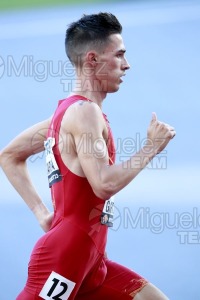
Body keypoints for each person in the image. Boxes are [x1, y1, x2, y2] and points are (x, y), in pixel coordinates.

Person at [0, 12, 175, 300]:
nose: (126, 64)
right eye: (119, 55)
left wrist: (43, 215)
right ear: (92, 60)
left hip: (91, 261)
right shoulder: (84, 113)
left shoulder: (63, 115)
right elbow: (103, 185)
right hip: (65, 257)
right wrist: (151, 147)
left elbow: (9, 156)